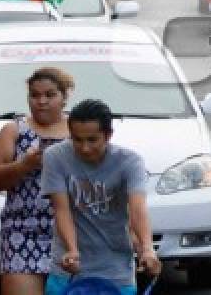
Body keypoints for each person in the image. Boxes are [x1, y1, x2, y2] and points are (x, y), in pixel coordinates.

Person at [41, 99, 160, 295]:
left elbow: (137, 209)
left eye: (92, 140)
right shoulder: (55, 156)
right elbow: (61, 209)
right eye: (77, 140)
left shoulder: (129, 161)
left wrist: (147, 248)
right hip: (68, 266)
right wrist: (72, 250)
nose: (84, 148)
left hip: (115, 267)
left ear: (108, 135)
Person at [0, 68, 73, 295]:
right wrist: (23, 165)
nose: (41, 101)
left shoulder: (79, 130)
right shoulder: (14, 130)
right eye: (34, 95)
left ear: (64, 97)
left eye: (50, 95)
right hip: (22, 232)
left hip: (72, 234)